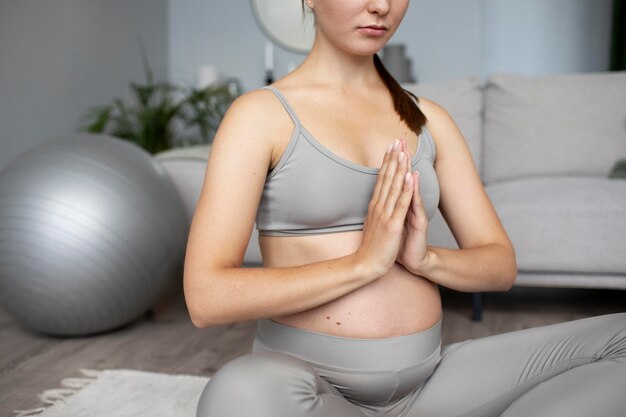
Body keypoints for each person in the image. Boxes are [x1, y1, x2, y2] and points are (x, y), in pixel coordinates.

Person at [183, 1, 626, 416]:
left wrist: (426, 259)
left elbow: (499, 265)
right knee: (240, 391)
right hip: (313, 387)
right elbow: (206, 298)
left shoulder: (430, 120)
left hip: (431, 386)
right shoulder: (260, 115)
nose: (381, 5)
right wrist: (362, 264)